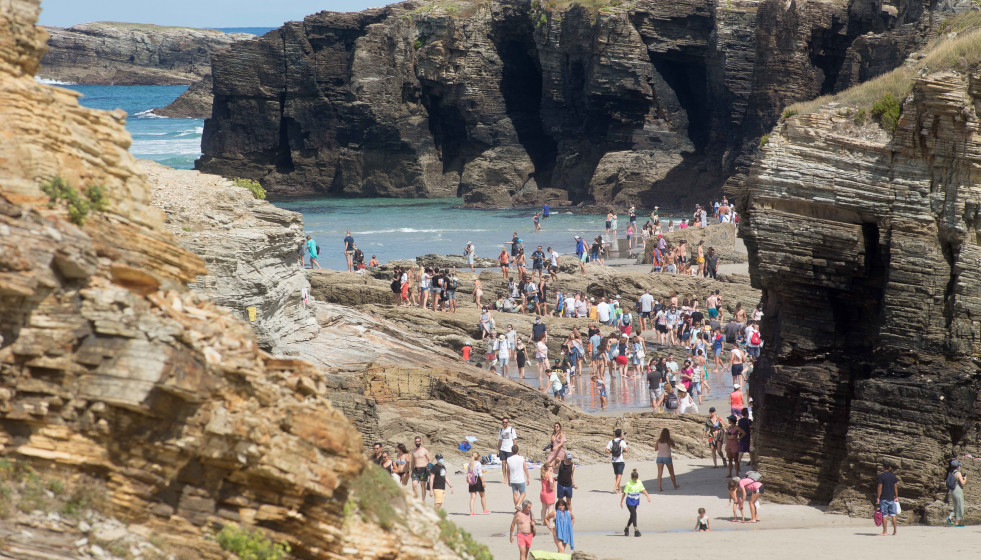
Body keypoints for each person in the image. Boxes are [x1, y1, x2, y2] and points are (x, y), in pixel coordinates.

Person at [620, 469, 651, 537]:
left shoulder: (639, 482)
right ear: (631, 478)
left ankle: (626, 528)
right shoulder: (628, 483)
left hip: (636, 501)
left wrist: (647, 496)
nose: (635, 480)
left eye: (636, 479)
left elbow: (643, 490)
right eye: (634, 479)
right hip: (629, 502)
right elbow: (624, 493)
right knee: (634, 513)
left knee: (632, 515)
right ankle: (636, 529)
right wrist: (621, 502)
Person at [877, 461, 900, 535]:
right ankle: (895, 532)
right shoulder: (893, 476)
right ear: (889, 467)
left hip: (884, 498)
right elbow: (895, 487)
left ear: (883, 467)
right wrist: (896, 497)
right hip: (891, 498)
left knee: (884, 514)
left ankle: (885, 532)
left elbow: (880, 487)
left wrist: (878, 498)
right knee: (893, 514)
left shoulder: (881, 476)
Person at [507, 444, 530, 511]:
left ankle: (517, 510)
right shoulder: (521, 458)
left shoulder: (509, 459)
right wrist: (528, 477)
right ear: (518, 450)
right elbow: (525, 468)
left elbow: (508, 471)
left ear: (512, 451)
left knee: (515, 494)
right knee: (523, 493)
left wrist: (508, 479)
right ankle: (518, 505)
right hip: (520, 479)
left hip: (513, 479)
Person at [467, 451, 490, 515]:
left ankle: (471, 512)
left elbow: (468, 472)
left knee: (472, 497)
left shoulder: (470, 463)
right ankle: (484, 510)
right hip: (478, 480)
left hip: (471, 480)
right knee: (482, 496)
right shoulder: (478, 463)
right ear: (478, 457)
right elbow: (480, 473)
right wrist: (483, 482)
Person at [410, 436, 432, 503]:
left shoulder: (424, 450)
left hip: (423, 469)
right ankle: (417, 500)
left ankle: (423, 501)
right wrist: (411, 470)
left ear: (421, 442)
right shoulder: (413, 451)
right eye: (416, 441)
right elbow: (413, 461)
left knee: (423, 486)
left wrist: (429, 467)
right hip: (415, 469)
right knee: (414, 485)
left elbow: (429, 460)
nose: (417, 442)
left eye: (418, 441)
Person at [945, 459, 967, 526]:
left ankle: (950, 517)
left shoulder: (951, 473)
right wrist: (965, 478)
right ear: (957, 466)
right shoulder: (958, 473)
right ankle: (957, 523)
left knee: (956, 506)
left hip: (952, 491)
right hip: (958, 490)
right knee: (960, 506)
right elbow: (962, 483)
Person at [606, 429, 628, 493]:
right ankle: (615, 488)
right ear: (621, 434)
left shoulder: (611, 441)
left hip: (614, 461)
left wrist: (612, 452)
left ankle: (619, 489)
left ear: (615, 434)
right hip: (620, 460)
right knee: (620, 475)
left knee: (616, 475)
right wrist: (621, 451)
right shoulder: (622, 442)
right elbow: (626, 450)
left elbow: (606, 450)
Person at [540, 462, 556, 529]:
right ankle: (550, 522)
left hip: (543, 493)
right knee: (550, 509)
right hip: (549, 494)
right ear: (548, 467)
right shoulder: (549, 475)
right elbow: (551, 482)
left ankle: (543, 521)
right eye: (551, 466)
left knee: (544, 509)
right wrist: (552, 487)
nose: (552, 467)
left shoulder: (543, 474)